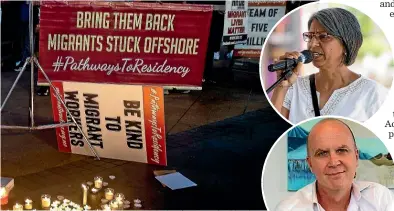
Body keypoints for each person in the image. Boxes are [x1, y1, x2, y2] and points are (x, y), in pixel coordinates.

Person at [270, 8, 388, 124]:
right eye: (310, 36)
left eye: (323, 36)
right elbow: (272, 131)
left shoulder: (373, 94)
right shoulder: (294, 87)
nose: (312, 44)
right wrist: (282, 85)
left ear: (346, 43)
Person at [276, 118, 394, 211]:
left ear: (356, 157)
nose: (333, 162)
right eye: (322, 153)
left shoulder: (380, 198)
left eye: (341, 151)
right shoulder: (288, 209)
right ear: (310, 164)